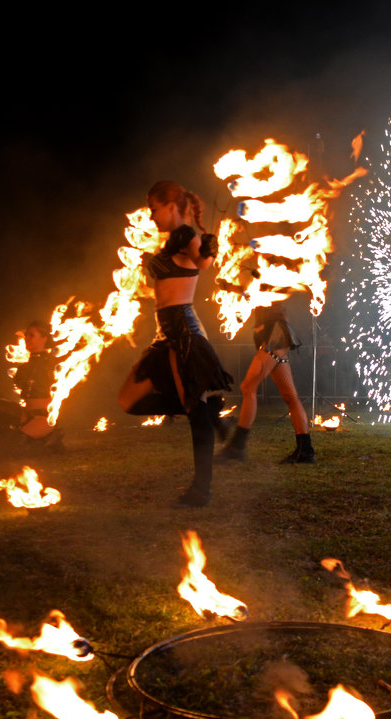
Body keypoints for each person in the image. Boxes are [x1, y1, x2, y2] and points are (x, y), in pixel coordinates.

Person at [118, 181, 232, 507]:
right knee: (128, 400)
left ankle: (202, 489)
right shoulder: (172, 241)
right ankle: (202, 407)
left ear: (171, 206)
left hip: (183, 331)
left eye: (154, 208)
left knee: (194, 410)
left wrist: (209, 248)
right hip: (163, 334)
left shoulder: (183, 235)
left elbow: (203, 263)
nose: (152, 216)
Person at [218, 300, 314, 464]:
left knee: (248, 387)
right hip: (273, 335)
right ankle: (305, 450)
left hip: (275, 335)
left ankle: (237, 446)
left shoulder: (270, 277)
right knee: (290, 396)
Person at [0, 321, 65, 455]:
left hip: (43, 419)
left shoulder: (52, 364)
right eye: (26, 335)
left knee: (11, 450)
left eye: (31, 335)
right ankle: (20, 442)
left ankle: (51, 440)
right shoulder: (25, 366)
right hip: (26, 415)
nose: (27, 339)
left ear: (44, 338)